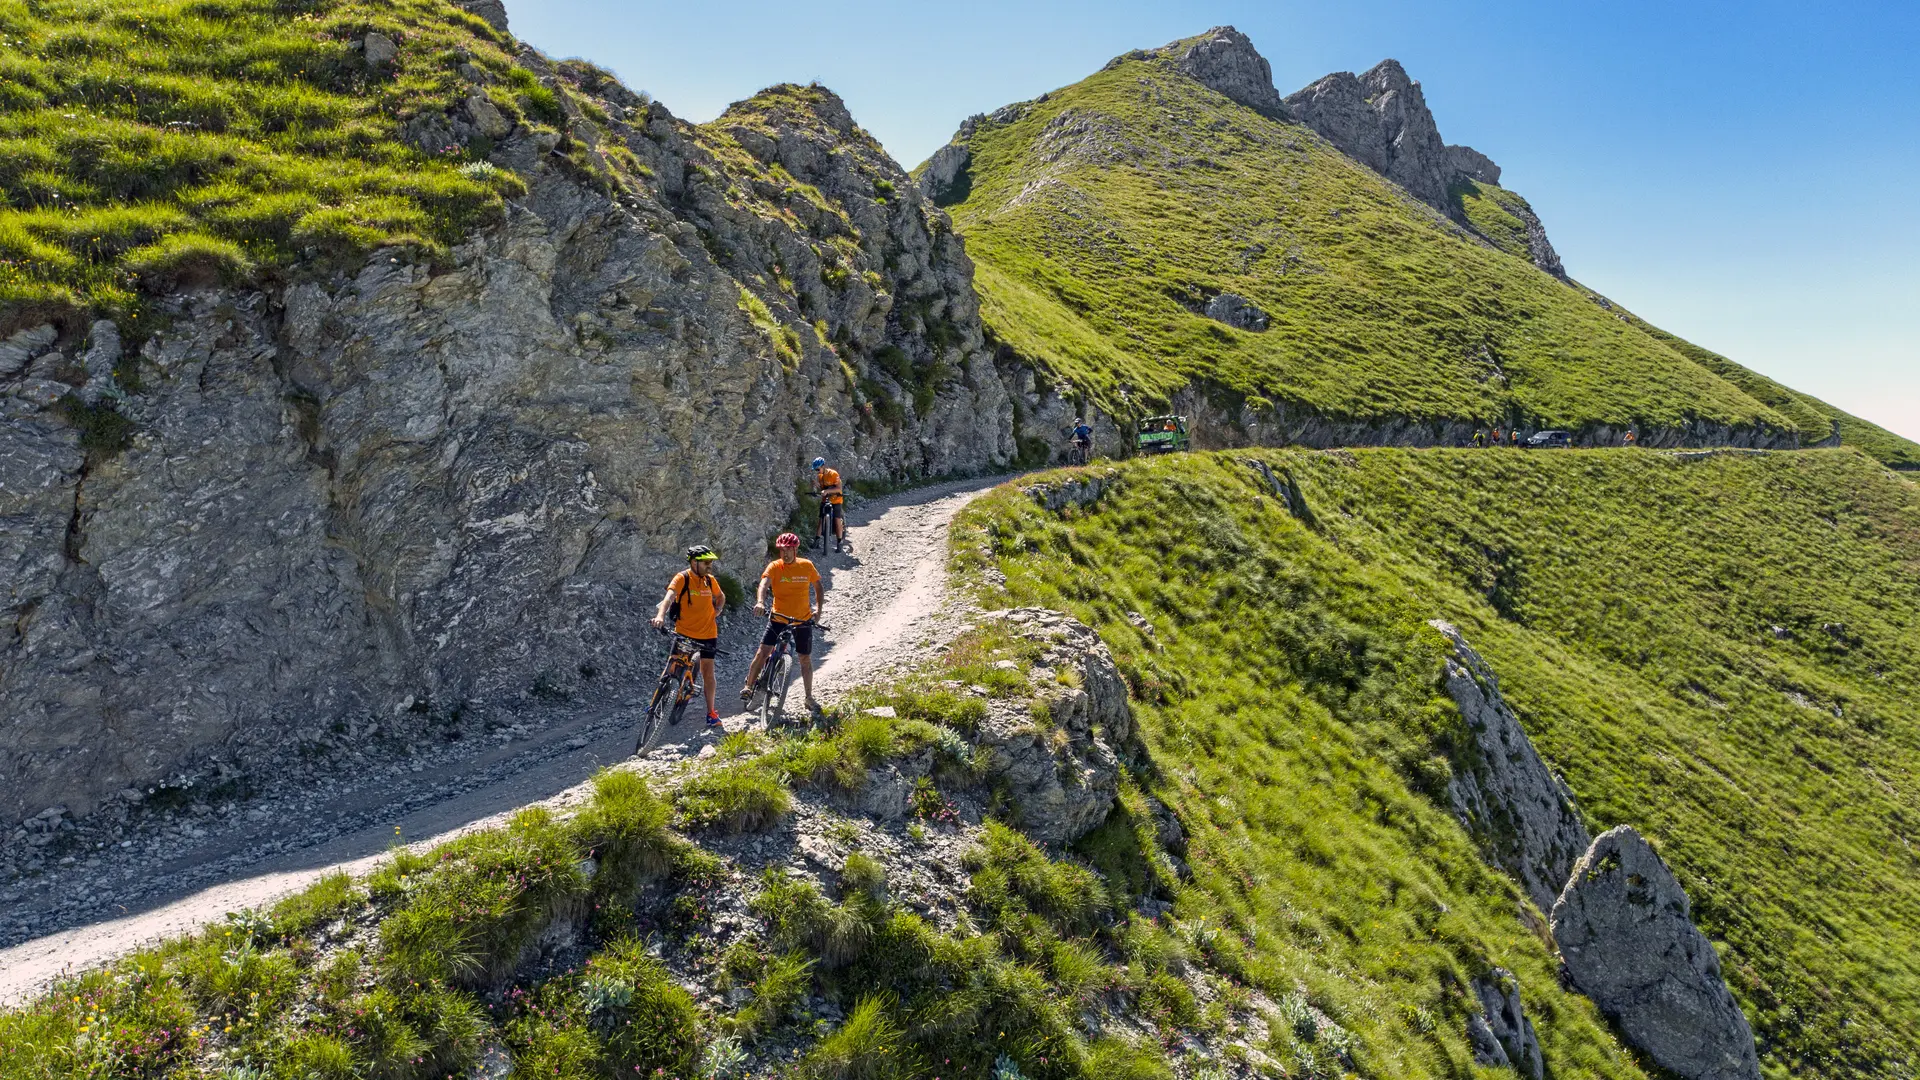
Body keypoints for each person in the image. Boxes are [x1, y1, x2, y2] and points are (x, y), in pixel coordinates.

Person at [740, 532, 825, 712]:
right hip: (778, 617)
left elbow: (818, 587)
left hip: (802, 619)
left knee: (805, 659)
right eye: (781, 550)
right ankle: (748, 686)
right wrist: (760, 602)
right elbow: (764, 584)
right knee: (763, 652)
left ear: (795, 549)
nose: (785, 554)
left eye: (788, 550)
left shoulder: (806, 566)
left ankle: (809, 697)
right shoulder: (775, 566)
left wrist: (819, 610)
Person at [651, 545, 727, 727]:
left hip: (708, 634)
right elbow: (669, 597)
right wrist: (660, 616)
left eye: (711, 562)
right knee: (672, 665)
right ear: (694, 563)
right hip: (684, 632)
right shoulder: (682, 578)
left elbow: (721, 596)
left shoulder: (710, 580)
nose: (710, 566)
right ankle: (655, 704)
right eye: (706, 562)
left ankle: (711, 713)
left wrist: (717, 610)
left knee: (708, 673)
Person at [813, 457, 846, 553]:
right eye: (816, 470)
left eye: (818, 469)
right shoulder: (820, 476)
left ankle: (839, 542)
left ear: (823, 466)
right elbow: (822, 489)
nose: (817, 471)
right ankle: (817, 540)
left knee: (837, 519)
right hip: (825, 500)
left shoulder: (833, 474)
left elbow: (839, 489)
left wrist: (827, 491)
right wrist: (817, 487)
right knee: (821, 519)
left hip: (836, 500)